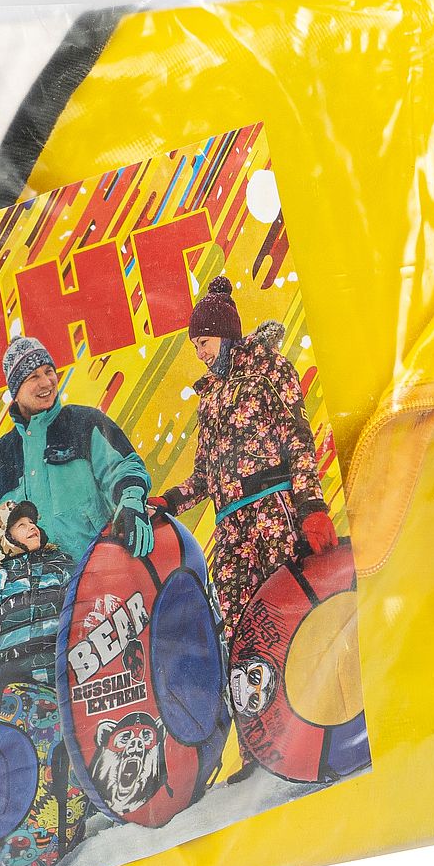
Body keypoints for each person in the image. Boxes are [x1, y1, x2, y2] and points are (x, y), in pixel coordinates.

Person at [157, 274, 339, 646]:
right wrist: (169, 502)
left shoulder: (269, 369)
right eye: (195, 347)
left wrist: (312, 507)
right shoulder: (209, 397)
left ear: (224, 334)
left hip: (271, 513)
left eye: (204, 343)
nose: (200, 354)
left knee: (290, 613)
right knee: (238, 627)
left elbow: (298, 441)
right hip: (229, 527)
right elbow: (204, 475)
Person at [0, 336, 154, 571]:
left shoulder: (84, 423)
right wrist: (4, 553)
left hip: (101, 576)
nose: (46, 382)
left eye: (49, 371)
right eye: (33, 376)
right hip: (38, 591)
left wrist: (131, 501)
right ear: (16, 391)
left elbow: (124, 468)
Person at [0, 502, 76, 690]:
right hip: (19, 688)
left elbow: (84, 607)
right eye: (21, 525)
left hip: (67, 678)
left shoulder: (60, 567)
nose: (32, 527)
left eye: (32, 522)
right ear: (3, 538)